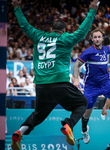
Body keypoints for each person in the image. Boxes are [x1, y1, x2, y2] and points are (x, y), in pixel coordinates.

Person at [11, 0, 99, 149]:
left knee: (38, 114)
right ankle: (68, 125)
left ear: (51, 29)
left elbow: (25, 26)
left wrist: (17, 9)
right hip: (59, 84)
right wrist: (91, 11)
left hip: (41, 86)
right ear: (63, 30)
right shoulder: (65, 38)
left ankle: (19, 132)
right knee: (82, 103)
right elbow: (82, 32)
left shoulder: (38, 36)